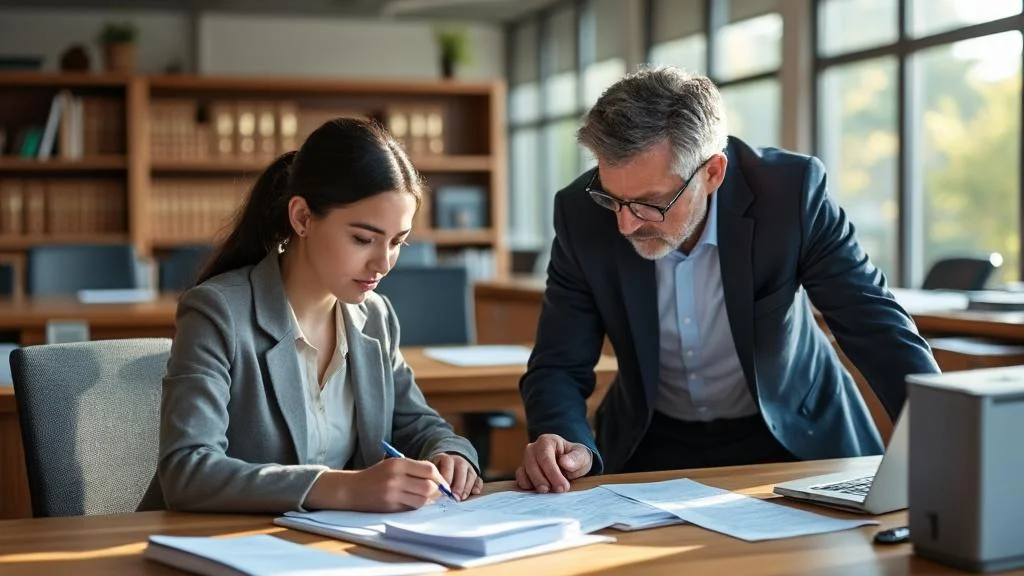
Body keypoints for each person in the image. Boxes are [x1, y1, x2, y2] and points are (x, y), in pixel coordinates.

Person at [515, 66, 940, 493]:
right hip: (653, 440)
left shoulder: (789, 194)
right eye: (613, 198)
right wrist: (563, 440)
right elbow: (559, 362)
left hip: (795, 434)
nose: (625, 225)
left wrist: (947, 438)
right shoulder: (580, 212)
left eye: (650, 203)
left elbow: (876, 327)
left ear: (713, 173)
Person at [159, 117, 482, 513]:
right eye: (363, 239)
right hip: (231, 540)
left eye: (398, 242)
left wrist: (450, 452)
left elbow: (417, 425)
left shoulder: (375, 317)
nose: (383, 264)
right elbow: (187, 469)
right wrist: (344, 488)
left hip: (340, 541)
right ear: (302, 218)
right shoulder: (217, 312)